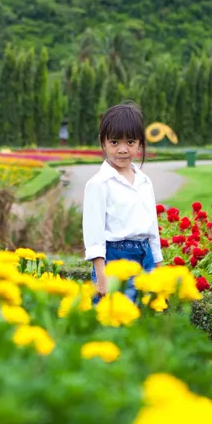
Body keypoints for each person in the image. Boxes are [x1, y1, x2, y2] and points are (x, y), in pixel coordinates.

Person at [82, 102, 161, 303]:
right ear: (103, 142)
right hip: (115, 258)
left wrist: (158, 267)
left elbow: (152, 227)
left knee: (145, 320)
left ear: (140, 143)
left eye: (131, 142)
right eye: (115, 142)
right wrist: (101, 277)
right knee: (114, 320)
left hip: (146, 257)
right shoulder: (99, 183)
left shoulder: (144, 181)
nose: (123, 150)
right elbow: (94, 235)